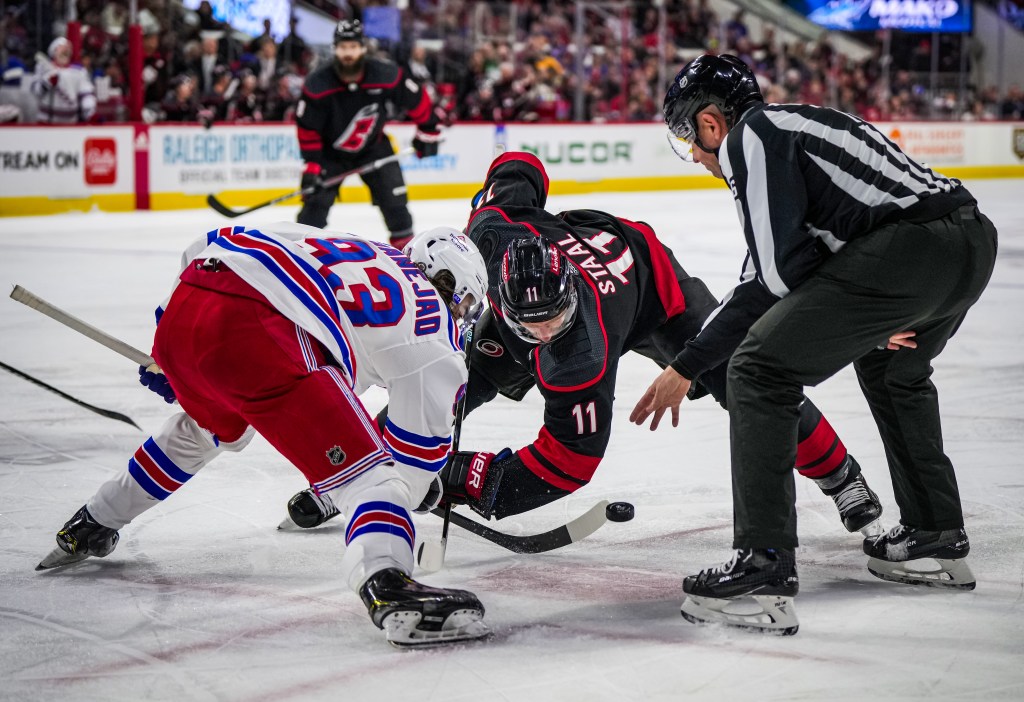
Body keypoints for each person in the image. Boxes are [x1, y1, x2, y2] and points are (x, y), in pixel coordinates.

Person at [285, 151, 884, 545]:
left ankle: (842, 476)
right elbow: (520, 168)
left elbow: (566, 464)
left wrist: (463, 479)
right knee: (449, 381)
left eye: (555, 325)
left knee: (747, 380)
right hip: (571, 272)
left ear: (569, 302)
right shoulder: (493, 234)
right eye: (532, 327)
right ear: (498, 293)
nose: (546, 336)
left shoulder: (580, 354)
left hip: (657, 294)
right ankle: (355, 469)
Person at [633, 54, 997, 634]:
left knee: (756, 370)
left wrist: (686, 365)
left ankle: (764, 565)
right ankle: (935, 536)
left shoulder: (753, 134)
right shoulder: (790, 131)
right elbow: (772, 276)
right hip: (967, 242)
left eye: (689, 142)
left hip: (912, 251)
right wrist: (689, 365)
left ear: (709, 123)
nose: (697, 160)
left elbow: (778, 278)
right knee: (893, 371)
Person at [37, 223, 492, 648]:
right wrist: (419, 486)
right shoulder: (436, 326)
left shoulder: (361, 249)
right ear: (452, 286)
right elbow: (410, 465)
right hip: (268, 330)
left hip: (194, 298)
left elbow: (219, 239)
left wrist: (170, 341)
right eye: (468, 303)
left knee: (204, 431)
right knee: (374, 480)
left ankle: (95, 520)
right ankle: (389, 584)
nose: (466, 316)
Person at [295, 19, 443, 249]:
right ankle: (298, 255)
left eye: (353, 47)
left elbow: (416, 98)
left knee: (396, 207)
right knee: (312, 213)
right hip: (329, 154)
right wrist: (312, 165)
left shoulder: (383, 74)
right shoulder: (318, 83)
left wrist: (428, 131)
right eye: (343, 47)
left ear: (363, 48)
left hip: (374, 148)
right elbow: (307, 127)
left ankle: (407, 259)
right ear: (335, 49)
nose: (348, 53)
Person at [32, 37, 96, 123]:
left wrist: (90, 114)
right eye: (62, 47)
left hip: (70, 123)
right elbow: (36, 91)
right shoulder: (43, 67)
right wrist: (47, 82)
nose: (66, 49)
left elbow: (86, 94)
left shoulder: (79, 71)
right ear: (54, 51)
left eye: (68, 48)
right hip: (46, 122)